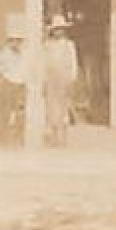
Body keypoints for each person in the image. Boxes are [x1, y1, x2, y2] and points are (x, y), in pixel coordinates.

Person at [42, 15, 79, 146]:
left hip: (64, 77)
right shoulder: (48, 45)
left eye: (61, 29)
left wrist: (72, 77)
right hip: (51, 77)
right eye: (56, 29)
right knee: (51, 107)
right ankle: (53, 136)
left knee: (64, 106)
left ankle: (63, 137)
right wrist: (44, 78)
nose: (59, 32)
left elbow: (73, 62)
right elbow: (44, 62)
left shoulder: (69, 45)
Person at [0, 23, 28, 145]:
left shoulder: (23, 54)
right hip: (8, 84)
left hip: (21, 85)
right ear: (9, 41)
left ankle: (19, 139)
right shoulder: (4, 54)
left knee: (21, 113)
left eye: (19, 41)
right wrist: (3, 74)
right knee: (5, 112)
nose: (16, 43)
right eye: (14, 41)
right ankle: (3, 139)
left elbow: (26, 69)